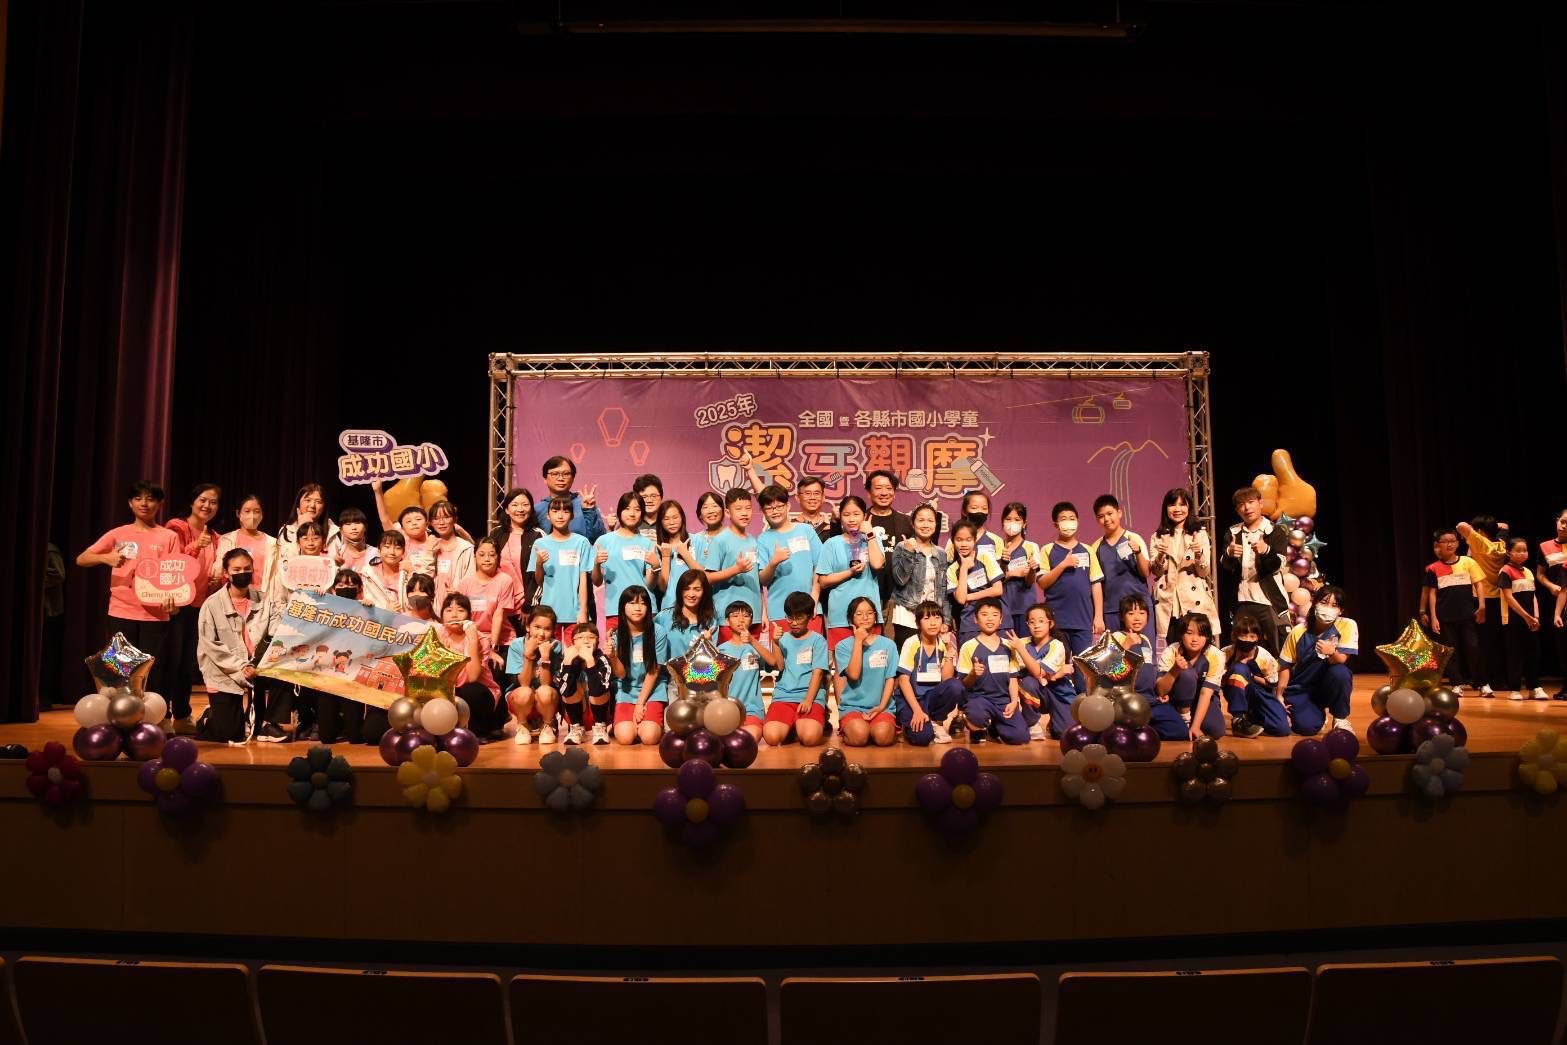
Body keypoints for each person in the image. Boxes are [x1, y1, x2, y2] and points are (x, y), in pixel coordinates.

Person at [78, 481, 183, 717]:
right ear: (130, 503)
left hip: (155, 614)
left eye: (150, 499)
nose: (144, 503)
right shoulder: (119, 534)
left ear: (160, 504)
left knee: (154, 671)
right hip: (121, 610)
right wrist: (106, 558)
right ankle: (121, 718)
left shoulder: (168, 536)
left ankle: (157, 719)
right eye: (138, 498)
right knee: (120, 670)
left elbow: (175, 574)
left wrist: (173, 602)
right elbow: (82, 558)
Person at [197, 548, 277, 746]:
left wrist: (257, 663)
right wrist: (241, 666)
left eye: (247, 568)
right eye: (237, 569)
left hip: (257, 667)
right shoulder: (212, 604)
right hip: (224, 671)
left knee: (284, 674)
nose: (243, 573)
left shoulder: (265, 599)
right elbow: (210, 646)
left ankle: (268, 722)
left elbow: (275, 630)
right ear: (226, 573)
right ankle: (209, 716)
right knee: (231, 733)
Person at [165, 483, 222, 733]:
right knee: (171, 661)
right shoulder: (176, 527)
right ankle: (162, 715)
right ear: (192, 501)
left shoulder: (216, 536)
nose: (207, 506)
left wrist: (216, 580)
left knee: (188, 664)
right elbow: (172, 563)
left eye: (213, 502)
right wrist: (196, 545)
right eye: (203, 500)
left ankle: (182, 715)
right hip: (177, 605)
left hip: (201, 606)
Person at [1036, 501, 1103, 691]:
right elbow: (1042, 582)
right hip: (1057, 621)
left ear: (1078, 522)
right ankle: (1063, 706)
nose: (1068, 522)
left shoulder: (1088, 550)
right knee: (1059, 669)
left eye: (1072, 518)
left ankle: (1083, 705)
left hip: (1082, 620)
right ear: (1055, 524)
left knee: (1083, 669)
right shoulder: (1047, 549)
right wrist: (1064, 564)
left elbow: (1096, 584)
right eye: (1063, 519)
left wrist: (1098, 616)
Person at [1278, 586, 1358, 735]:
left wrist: (1331, 652)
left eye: (1334, 605)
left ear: (1340, 610)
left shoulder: (1347, 625)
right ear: (1315, 604)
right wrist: (1279, 695)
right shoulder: (1298, 631)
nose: (1328, 608)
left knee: (1341, 673)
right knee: (1306, 728)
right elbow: (1285, 665)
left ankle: (1340, 718)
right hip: (1303, 688)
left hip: (1327, 684)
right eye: (1324, 602)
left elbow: (1342, 659)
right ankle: (1316, 713)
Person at [1218, 486, 1290, 653]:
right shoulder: (1233, 532)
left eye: (1251, 502)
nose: (1247, 508)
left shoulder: (1275, 531)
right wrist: (1229, 554)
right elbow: (1226, 567)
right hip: (1242, 600)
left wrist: (1266, 551)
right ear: (1237, 510)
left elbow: (1277, 566)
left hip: (1269, 600)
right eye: (1241, 504)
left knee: (1277, 648)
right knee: (1242, 649)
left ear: (1260, 503)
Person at [1149, 487, 1219, 651]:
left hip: (1193, 599)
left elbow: (1204, 572)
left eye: (1182, 505)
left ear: (1189, 508)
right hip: (1169, 601)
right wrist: (1160, 555)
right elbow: (1156, 572)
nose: (1177, 509)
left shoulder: (1199, 534)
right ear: (1166, 508)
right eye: (1172, 505)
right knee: (1175, 650)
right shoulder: (1158, 536)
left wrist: (1198, 554)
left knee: (1198, 650)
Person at [817, 495, 886, 650]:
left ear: (864, 516)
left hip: (869, 617)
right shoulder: (831, 544)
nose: (851, 519)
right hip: (840, 616)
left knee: (872, 662)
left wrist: (870, 535)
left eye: (856, 514)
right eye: (846, 515)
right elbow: (823, 581)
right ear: (840, 517)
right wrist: (850, 572)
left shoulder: (873, 539)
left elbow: (877, 564)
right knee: (842, 663)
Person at [762, 591, 831, 747]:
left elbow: (818, 673)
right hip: (784, 696)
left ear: (809, 616)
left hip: (809, 696)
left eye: (799, 618)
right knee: (772, 738)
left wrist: (808, 700)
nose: (793, 622)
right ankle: (792, 725)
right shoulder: (782, 638)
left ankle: (803, 724)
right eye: (790, 617)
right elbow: (779, 666)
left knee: (809, 738)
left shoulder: (818, 640)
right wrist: (775, 642)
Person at [755, 484, 822, 642]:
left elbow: (820, 567)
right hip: (779, 611)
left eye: (779, 506)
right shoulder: (763, 539)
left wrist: (814, 599)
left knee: (812, 653)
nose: (775, 511)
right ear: (763, 511)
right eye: (769, 508)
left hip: (810, 609)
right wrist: (773, 563)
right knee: (782, 655)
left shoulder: (806, 530)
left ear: (788, 506)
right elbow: (763, 580)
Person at [957, 597, 1027, 745]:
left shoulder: (1008, 645)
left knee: (1020, 737)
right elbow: (963, 685)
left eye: (995, 615)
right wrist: (973, 674)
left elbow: (1013, 678)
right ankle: (974, 725)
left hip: (1002, 701)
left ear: (1001, 619)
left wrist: (1014, 701)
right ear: (975, 619)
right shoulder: (968, 646)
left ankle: (993, 728)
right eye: (984, 614)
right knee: (976, 715)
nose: (990, 619)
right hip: (978, 699)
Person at [1110, 595, 1182, 740]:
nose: (1137, 618)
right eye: (1131, 613)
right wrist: (1127, 645)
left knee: (1179, 730)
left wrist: (1159, 690)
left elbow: (1151, 670)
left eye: (1142, 613)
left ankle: (1144, 728)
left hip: (1150, 700)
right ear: (1122, 617)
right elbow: (1110, 671)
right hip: (1126, 702)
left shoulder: (1146, 640)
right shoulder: (1116, 637)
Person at [1423, 528, 1485, 694]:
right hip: (1445, 617)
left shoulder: (1468, 562)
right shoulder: (1433, 568)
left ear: (1458, 543)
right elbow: (1432, 594)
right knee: (1450, 652)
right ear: (1438, 545)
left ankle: (1481, 683)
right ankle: (1456, 683)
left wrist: (1482, 605)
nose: (1449, 544)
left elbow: (1479, 584)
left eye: (1453, 541)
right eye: (1445, 541)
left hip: (1467, 615)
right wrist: (1434, 617)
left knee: (1473, 648)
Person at [834, 595, 900, 747]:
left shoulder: (888, 645)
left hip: (882, 706)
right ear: (851, 619)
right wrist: (858, 641)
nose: (865, 617)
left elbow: (890, 678)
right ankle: (853, 730)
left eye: (870, 613)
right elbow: (854, 674)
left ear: (876, 616)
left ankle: (876, 728)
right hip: (852, 706)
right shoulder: (843, 646)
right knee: (859, 737)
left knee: (883, 738)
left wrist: (882, 706)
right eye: (859, 614)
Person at [894, 599, 963, 745]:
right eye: (927, 618)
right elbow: (903, 680)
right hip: (910, 700)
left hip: (931, 698)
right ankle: (907, 726)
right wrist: (917, 710)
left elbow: (947, 679)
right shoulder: (912, 643)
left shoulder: (944, 643)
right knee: (923, 738)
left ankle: (936, 721)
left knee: (956, 686)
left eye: (937, 618)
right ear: (918, 623)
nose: (933, 623)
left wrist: (949, 651)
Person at [315, 569, 372, 744]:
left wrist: (370, 609)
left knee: (355, 737)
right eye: (340, 585)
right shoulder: (325, 607)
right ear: (333, 589)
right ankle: (337, 725)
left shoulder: (365, 609)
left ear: (359, 589)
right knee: (326, 737)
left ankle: (348, 726)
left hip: (352, 673)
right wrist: (318, 599)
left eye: (351, 585)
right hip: (327, 674)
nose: (346, 588)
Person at [437, 593, 505, 738]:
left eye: (460, 610)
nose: (454, 615)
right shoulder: (437, 635)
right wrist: (442, 653)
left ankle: (480, 731)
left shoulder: (480, 638)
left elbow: (473, 677)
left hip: (479, 693)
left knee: (470, 690)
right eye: (448, 610)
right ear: (441, 615)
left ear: (469, 616)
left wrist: (472, 641)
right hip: (448, 689)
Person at [1458, 515, 1511, 697]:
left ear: (1480, 531)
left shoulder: (1480, 542)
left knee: (1480, 642)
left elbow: (1461, 525)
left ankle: (1485, 679)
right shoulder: (1501, 544)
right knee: (1493, 641)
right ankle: (1496, 678)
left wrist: (1472, 531)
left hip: (1480, 597)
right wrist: (1493, 526)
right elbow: (1505, 525)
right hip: (1497, 597)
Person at [592, 492, 660, 633]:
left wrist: (655, 566)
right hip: (615, 608)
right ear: (619, 512)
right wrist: (597, 564)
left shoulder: (647, 543)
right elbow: (597, 581)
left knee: (645, 647)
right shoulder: (604, 541)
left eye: (637, 509)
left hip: (643, 608)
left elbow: (650, 584)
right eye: (627, 508)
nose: (632, 513)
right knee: (615, 647)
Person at [608, 586, 666, 746]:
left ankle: (645, 726)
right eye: (632, 603)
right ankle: (623, 725)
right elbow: (621, 674)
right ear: (623, 607)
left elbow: (654, 671)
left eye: (643, 603)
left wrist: (640, 704)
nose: (638, 608)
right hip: (627, 690)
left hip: (653, 690)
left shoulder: (658, 632)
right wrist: (612, 656)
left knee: (650, 737)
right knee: (625, 738)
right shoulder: (617, 635)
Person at [1009, 602, 1077, 739]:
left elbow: (1038, 672)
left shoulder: (1057, 645)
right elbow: (1026, 674)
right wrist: (1056, 674)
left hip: (1058, 693)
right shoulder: (1022, 643)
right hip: (1035, 689)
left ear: (1050, 624)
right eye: (1032, 622)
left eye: (1041, 621)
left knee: (1064, 734)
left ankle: (1054, 723)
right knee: (1028, 682)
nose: (1036, 625)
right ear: (1027, 625)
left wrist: (1050, 676)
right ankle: (1032, 723)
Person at [1155, 613, 1227, 740]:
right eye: (1189, 633)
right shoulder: (1171, 651)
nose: (1195, 639)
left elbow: (1206, 693)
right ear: (1181, 634)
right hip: (1176, 700)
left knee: (1216, 730)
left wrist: (1196, 726)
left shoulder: (1216, 655)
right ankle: (1184, 720)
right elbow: (1161, 690)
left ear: (1207, 636)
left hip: (1202, 699)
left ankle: (1191, 724)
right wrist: (1175, 669)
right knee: (1186, 673)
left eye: (1201, 634)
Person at [456, 536, 520, 680]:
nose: (487, 559)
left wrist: (492, 647)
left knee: (497, 670)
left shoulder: (505, 580)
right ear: (475, 556)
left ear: (498, 557)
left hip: (499, 640)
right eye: (482, 554)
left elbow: (499, 615)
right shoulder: (465, 582)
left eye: (491, 555)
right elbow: (461, 615)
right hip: (473, 637)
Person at [888, 504, 951, 648]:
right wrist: (909, 552)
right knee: (908, 657)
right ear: (913, 523)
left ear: (936, 524)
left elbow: (944, 590)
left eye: (930, 520)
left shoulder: (941, 553)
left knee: (931, 658)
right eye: (921, 520)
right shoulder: (902, 546)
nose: (926, 525)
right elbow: (900, 580)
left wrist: (946, 620)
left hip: (932, 616)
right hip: (907, 614)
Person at [530, 495, 593, 638]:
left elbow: (583, 579)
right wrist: (539, 563)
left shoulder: (581, 542)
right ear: (548, 516)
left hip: (574, 611)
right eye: (555, 511)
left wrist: (583, 610)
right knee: (551, 649)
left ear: (572, 516)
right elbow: (539, 582)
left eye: (565, 511)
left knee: (575, 650)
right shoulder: (540, 544)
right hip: (548, 612)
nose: (560, 515)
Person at [709, 487, 764, 641]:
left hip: (753, 615)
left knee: (752, 656)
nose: (744, 513)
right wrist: (736, 569)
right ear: (728, 512)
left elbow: (757, 581)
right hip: (728, 617)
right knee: (729, 655)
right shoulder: (720, 540)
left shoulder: (753, 540)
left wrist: (763, 612)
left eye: (748, 508)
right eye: (738, 509)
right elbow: (707, 577)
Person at [1221, 612, 1289, 737]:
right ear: (1235, 636)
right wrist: (1235, 668)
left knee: (1282, 729)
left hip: (1261, 694)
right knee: (1239, 669)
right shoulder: (1225, 653)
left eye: (1252, 636)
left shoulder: (1265, 656)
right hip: (1236, 692)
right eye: (1243, 636)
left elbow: (1272, 683)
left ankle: (1253, 718)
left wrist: (1252, 677)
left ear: (1257, 638)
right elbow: (1219, 681)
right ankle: (1238, 720)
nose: (1247, 640)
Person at [1090, 494, 1150, 635]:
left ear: (1119, 513)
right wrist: (1098, 616)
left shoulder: (1133, 538)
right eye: (1101, 516)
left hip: (1138, 608)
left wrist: (1138, 552)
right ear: (1097, 520)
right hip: (1112, 611)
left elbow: (1146, 572)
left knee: (1143, 648)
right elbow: (1096, 584)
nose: (1106, 519)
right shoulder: (1095, 547)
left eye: (1110, 513)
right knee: (1115, 649)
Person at [718, 601, 776, 741]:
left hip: (752, 710)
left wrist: (752, 641)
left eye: (746, 615)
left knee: (747, 740)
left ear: (752, 620)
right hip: (726, 710)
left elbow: (773, 662)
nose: (741, 619)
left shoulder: (756, 648)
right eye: (735, 616)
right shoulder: (720, 650)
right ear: (727, 621)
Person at [1497, 537, 1546, 701]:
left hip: (1531, 620)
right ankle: (1514, 689)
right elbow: (1509, 598)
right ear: (1508, 553)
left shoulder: (1529, 571)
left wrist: (1535, 617)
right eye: (1518, 550)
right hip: (1513, 620)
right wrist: (1526, 616)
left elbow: (1533, 596)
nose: (1522, 553)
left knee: (1533, 653)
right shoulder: (1505, 571)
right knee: (1515, 655)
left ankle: (1535, 687)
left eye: (1525, 550)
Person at [507, 606, 561, 745]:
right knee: (524, 692)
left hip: (546, 701)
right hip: (521, 699)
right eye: (537, 627)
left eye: (547, 629)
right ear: (528, 627)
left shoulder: (556, 646)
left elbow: (546, 684)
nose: (541, 634)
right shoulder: (516, 645)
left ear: (553, 631)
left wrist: (545, 658)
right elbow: (523, 683)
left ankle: (547, 724)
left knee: (545, 691)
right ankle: (523, 725)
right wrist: (528, 655)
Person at [947, 519, 1004, 647]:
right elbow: (960, 599)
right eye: (959, 540)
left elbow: (998, 589)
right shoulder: (952, 569)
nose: (964, 544)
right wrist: (964, 568)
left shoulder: (985, 557)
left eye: (968, 540)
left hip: (994, 618)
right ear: (952, 541)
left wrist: (969, 597)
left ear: (974, 540)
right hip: (969, 622)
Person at [555, 622, 612, 745]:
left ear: (597, 641)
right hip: (575, 712)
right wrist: (568, 663)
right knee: (570, 685)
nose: (586, 641)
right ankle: (576, 728)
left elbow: (600, 690)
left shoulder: (602, 659)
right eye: (580, 637)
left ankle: (600, 727)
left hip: (600, 712)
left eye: (591, 637)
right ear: (573, 642)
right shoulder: (566, 659)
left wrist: (590, 661)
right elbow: (564, 691)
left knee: (599, 688)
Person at [215, 494, 278, 604]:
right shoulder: (227, 540)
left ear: (262, 515)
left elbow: (276, 575)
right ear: (238, 513)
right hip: (233, 597)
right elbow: (219, 570)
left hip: (263, 598)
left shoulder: (273, 543)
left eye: (257, 511)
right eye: (247, 511)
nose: (252, 516)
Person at [490, 487, 543, 608]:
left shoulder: (538, 536)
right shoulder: (495, 533)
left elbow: (539, 575)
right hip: (499, 604)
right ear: (507, 509)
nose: (520, 509)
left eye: (525, 505)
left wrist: (529, 605)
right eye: (514, 505)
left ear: (531, 508)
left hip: (526, 606)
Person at [534, 455, 605, 544]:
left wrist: (589, 511)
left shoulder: (584, 505)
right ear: (545, 478)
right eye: (555, 474)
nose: (560, 478)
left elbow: (599, 540)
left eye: (566, 474)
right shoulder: (537, 510)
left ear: (573, 478)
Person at [997, 503, 1040, 637]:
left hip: (1025, 608)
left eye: (1017, 519)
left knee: (1025, 646)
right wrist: (1012, 573)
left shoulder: (1031, 547)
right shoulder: (997, 547)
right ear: (1002, 522)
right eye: (1008, 519)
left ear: (1024, 524)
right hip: (1002, 609)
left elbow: (1030, 581)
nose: (1012, 523)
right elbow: (992, 581)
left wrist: (1031, 571)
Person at [656, 569, 719, 662]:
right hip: (667, 671)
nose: (691, 594)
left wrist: (709, 645)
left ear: (704, 592)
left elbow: (713, 662)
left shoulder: (711, 621)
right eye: (686, 589)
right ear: (680, 591)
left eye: (697, 589)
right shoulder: (663, 617)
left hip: (698, 671)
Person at [654, 500, 701, 613]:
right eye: (666, 519)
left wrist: (685, 554)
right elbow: (662, 587)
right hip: (670, 606)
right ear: (660, 522)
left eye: (675, 517)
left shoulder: (697, 540)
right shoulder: (659, 547)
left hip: (697, 604)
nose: (671, 522)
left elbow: (704, 576)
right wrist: (666, 557)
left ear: (682, 518)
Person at [1540, 509, 1567, 699]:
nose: (1564, 526)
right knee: (1562, 646)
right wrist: (1550, 586)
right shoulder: (1545, 546)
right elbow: (1540, 574)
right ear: (1557, 521)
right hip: (1556, 600)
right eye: (1563, 521)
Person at [277, 483, 340, 563]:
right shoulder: (287, 531)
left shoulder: (333, 531)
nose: (312, 505)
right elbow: (286, 563)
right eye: (308, 500)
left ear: (324, 506)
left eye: (318, 502)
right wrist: (300, 529)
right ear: (298, 503)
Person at [427, 500, 476, 603]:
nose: (441, 523)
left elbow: (471, 580)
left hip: (458, 602)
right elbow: (424, 578)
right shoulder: (431, 547)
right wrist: (429, 553)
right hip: (434, 605)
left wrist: (460, 592)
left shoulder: (466, 548)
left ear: (454, 519)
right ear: (431, 523)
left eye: (446, 517)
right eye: (436, 518)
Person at [945, 492, 1005, 559]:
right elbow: (948, 564)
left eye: (984, 508)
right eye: (974, 508)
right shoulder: (953, 541)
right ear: (964, 511)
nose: (980, 511)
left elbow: (999, 565)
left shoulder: (997, 540)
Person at [864, 470, 914, 547]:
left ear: (894, 493)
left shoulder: (907, 521)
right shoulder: (861, 519)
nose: (884, 493)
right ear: (869, 493)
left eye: (889, 488)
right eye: (878, 488)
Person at [360, 531, 409, 612]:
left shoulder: (408, 573)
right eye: (387, 547)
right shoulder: (368, 573)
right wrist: (386, 611)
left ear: (403, 552)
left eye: (398, 548)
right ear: (379, 550)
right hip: (378, 618)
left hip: (406, 618)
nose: (392, 552)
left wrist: (411, 574)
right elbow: (367, 603)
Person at [793, 475, 840, 543]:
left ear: (823, 497)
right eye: (807, 493)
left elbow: (838, 546)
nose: (812, 497)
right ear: (797, 498)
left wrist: (835, 523)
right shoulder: (791, 526)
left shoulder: (831, 527)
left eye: (816, 493)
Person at [334, 507, 375, 572]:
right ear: (341, 530)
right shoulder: (336, 554)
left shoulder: (375, 553)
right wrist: (336, 567)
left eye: (357, 523)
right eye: (348, 524)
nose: (353, 528)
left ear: (365, 527)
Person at [633, 474, 664, 541]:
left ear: (661, 497)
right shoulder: (630, 522)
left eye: (653, 496)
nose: (649, 500)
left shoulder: (669, 522)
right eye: (644, 497)